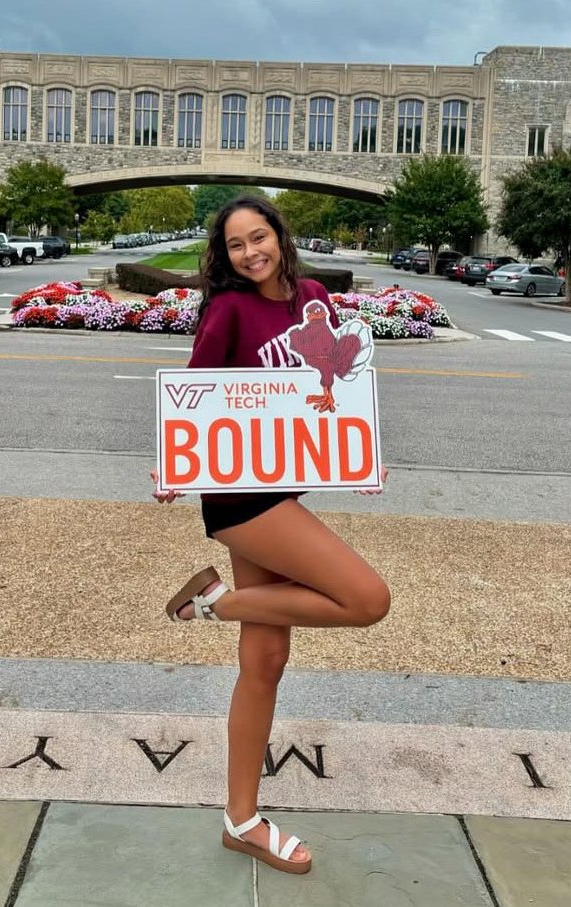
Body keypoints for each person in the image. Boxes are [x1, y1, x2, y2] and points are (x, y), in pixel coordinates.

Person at [150, 196, 390, 875]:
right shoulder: (229, 310)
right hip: (239, 493)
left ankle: (240, 819)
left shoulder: (312, 296)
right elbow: (195, 393)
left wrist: (358, 450)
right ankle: (212, 603)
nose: (250, 252)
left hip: (279, 482)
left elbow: (335, 380)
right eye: (235, 245)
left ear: (280, 237)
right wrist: (172, 461)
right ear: (223, 256)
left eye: (259, 237)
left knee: (265, 662)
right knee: (366, 598)